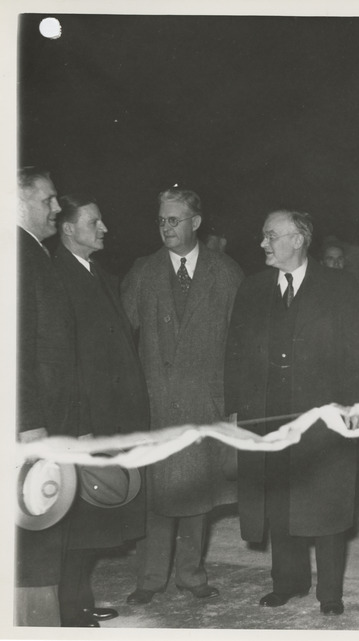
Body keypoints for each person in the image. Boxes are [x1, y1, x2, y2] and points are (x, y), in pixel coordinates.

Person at [225, 210, 359, 615]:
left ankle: (330, 593)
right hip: (268, 414)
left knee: (325, 501)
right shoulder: (251, 289)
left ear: (298, 239)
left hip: (323, 414)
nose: (263, 244)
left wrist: (355, 406)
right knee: (279, 500)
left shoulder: (339, 286)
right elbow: (234, 354)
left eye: (271, 236)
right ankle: (287, 582)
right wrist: (236, 410)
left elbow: (357, 352)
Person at [121, 186, 243, 605]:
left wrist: (231, 406)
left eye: (174, 219)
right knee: (156, 496)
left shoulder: (226, 273)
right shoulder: (142, 271)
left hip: (204, 406)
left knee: (196, 494)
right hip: (156, 403)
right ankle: (150, 578)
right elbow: (122, 337)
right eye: (160, 220)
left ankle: (192, 575)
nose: (165, 227)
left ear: (196, 222)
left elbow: (239, 345)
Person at [52, 194, 150, 627]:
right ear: (68, 229)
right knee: (77, 526)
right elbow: (65, 363)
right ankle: (69, 612)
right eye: (94, 221)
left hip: (114, 421)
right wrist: (85, 426)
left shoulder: (102, 277)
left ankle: (80, 601)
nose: (104, 227)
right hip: (86, 425)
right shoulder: (55, 277)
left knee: (94, 520)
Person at [16, 167, 79, 626]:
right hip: (31, 425)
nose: (57, 208)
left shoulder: (33, 252)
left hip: (43, 419)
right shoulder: (18, 254)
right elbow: (14, 346)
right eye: (48, 199)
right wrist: (30, 421)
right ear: (18, 199)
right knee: (34, 528)